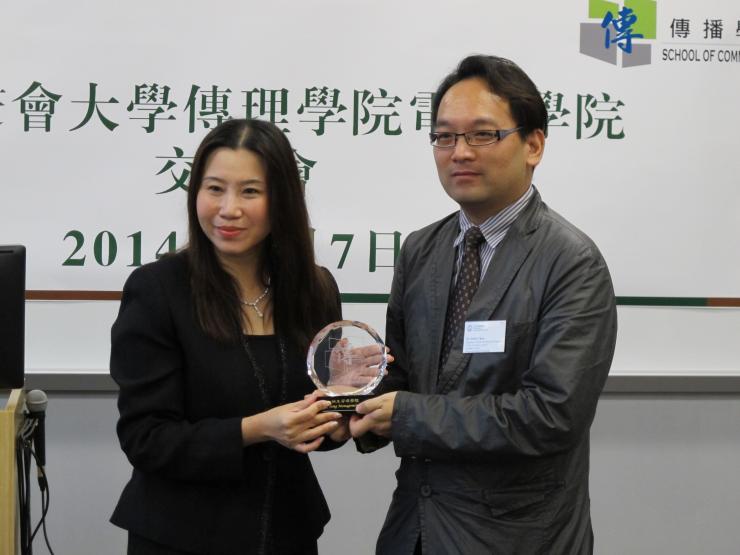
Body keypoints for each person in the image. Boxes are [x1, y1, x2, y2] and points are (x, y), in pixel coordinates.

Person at [350, 55, 618, 554]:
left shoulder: (571, 262)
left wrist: (406, 415)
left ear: (534, 144)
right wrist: (351, 400)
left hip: (515, 536)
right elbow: (403, 377)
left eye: (482, 135)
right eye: (444, 136)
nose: (459, 153)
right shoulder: (420, 249)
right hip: (416, 529)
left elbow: (550, 415)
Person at [110, 118, 350, 555]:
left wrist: (349, 397)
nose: (228, 209)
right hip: (181, 535)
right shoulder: (158, 289)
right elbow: (146, 439)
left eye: (250, 192)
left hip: (287, 532)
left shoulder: (316, 290)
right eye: (214, 188)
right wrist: (256, 429)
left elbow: (326, 430)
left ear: (282, 200)